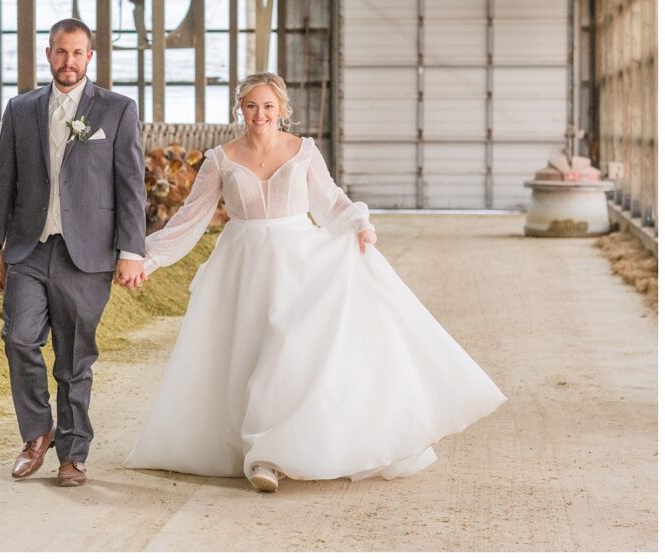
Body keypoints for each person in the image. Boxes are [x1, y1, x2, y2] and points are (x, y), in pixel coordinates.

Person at [125, 72, 507, 492]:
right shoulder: (220, 158)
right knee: (251, 352)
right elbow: (190, 219)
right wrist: (147, 258)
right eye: (251, 106)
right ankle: (254, 449)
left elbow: (330, 200)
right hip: (243, 265)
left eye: (268, 106)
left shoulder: (303, 151)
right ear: (240, 108)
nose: (260, 114)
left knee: (286, 350)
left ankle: (269, 456)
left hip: (299, 259)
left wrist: (357, 224)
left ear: (282, 110)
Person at [0, 18, 147, 488]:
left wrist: (131, 249)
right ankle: (37, 433)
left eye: (77, 53)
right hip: (29, 249)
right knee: (18, 339)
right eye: (60, 52)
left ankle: (73, 455)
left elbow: (131, 187)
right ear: (47, 53)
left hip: (88, 253)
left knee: (74, 361)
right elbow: (5, 181)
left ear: (89, 57)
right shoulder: (21, 108)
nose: (68, 62)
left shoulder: (116, 110)